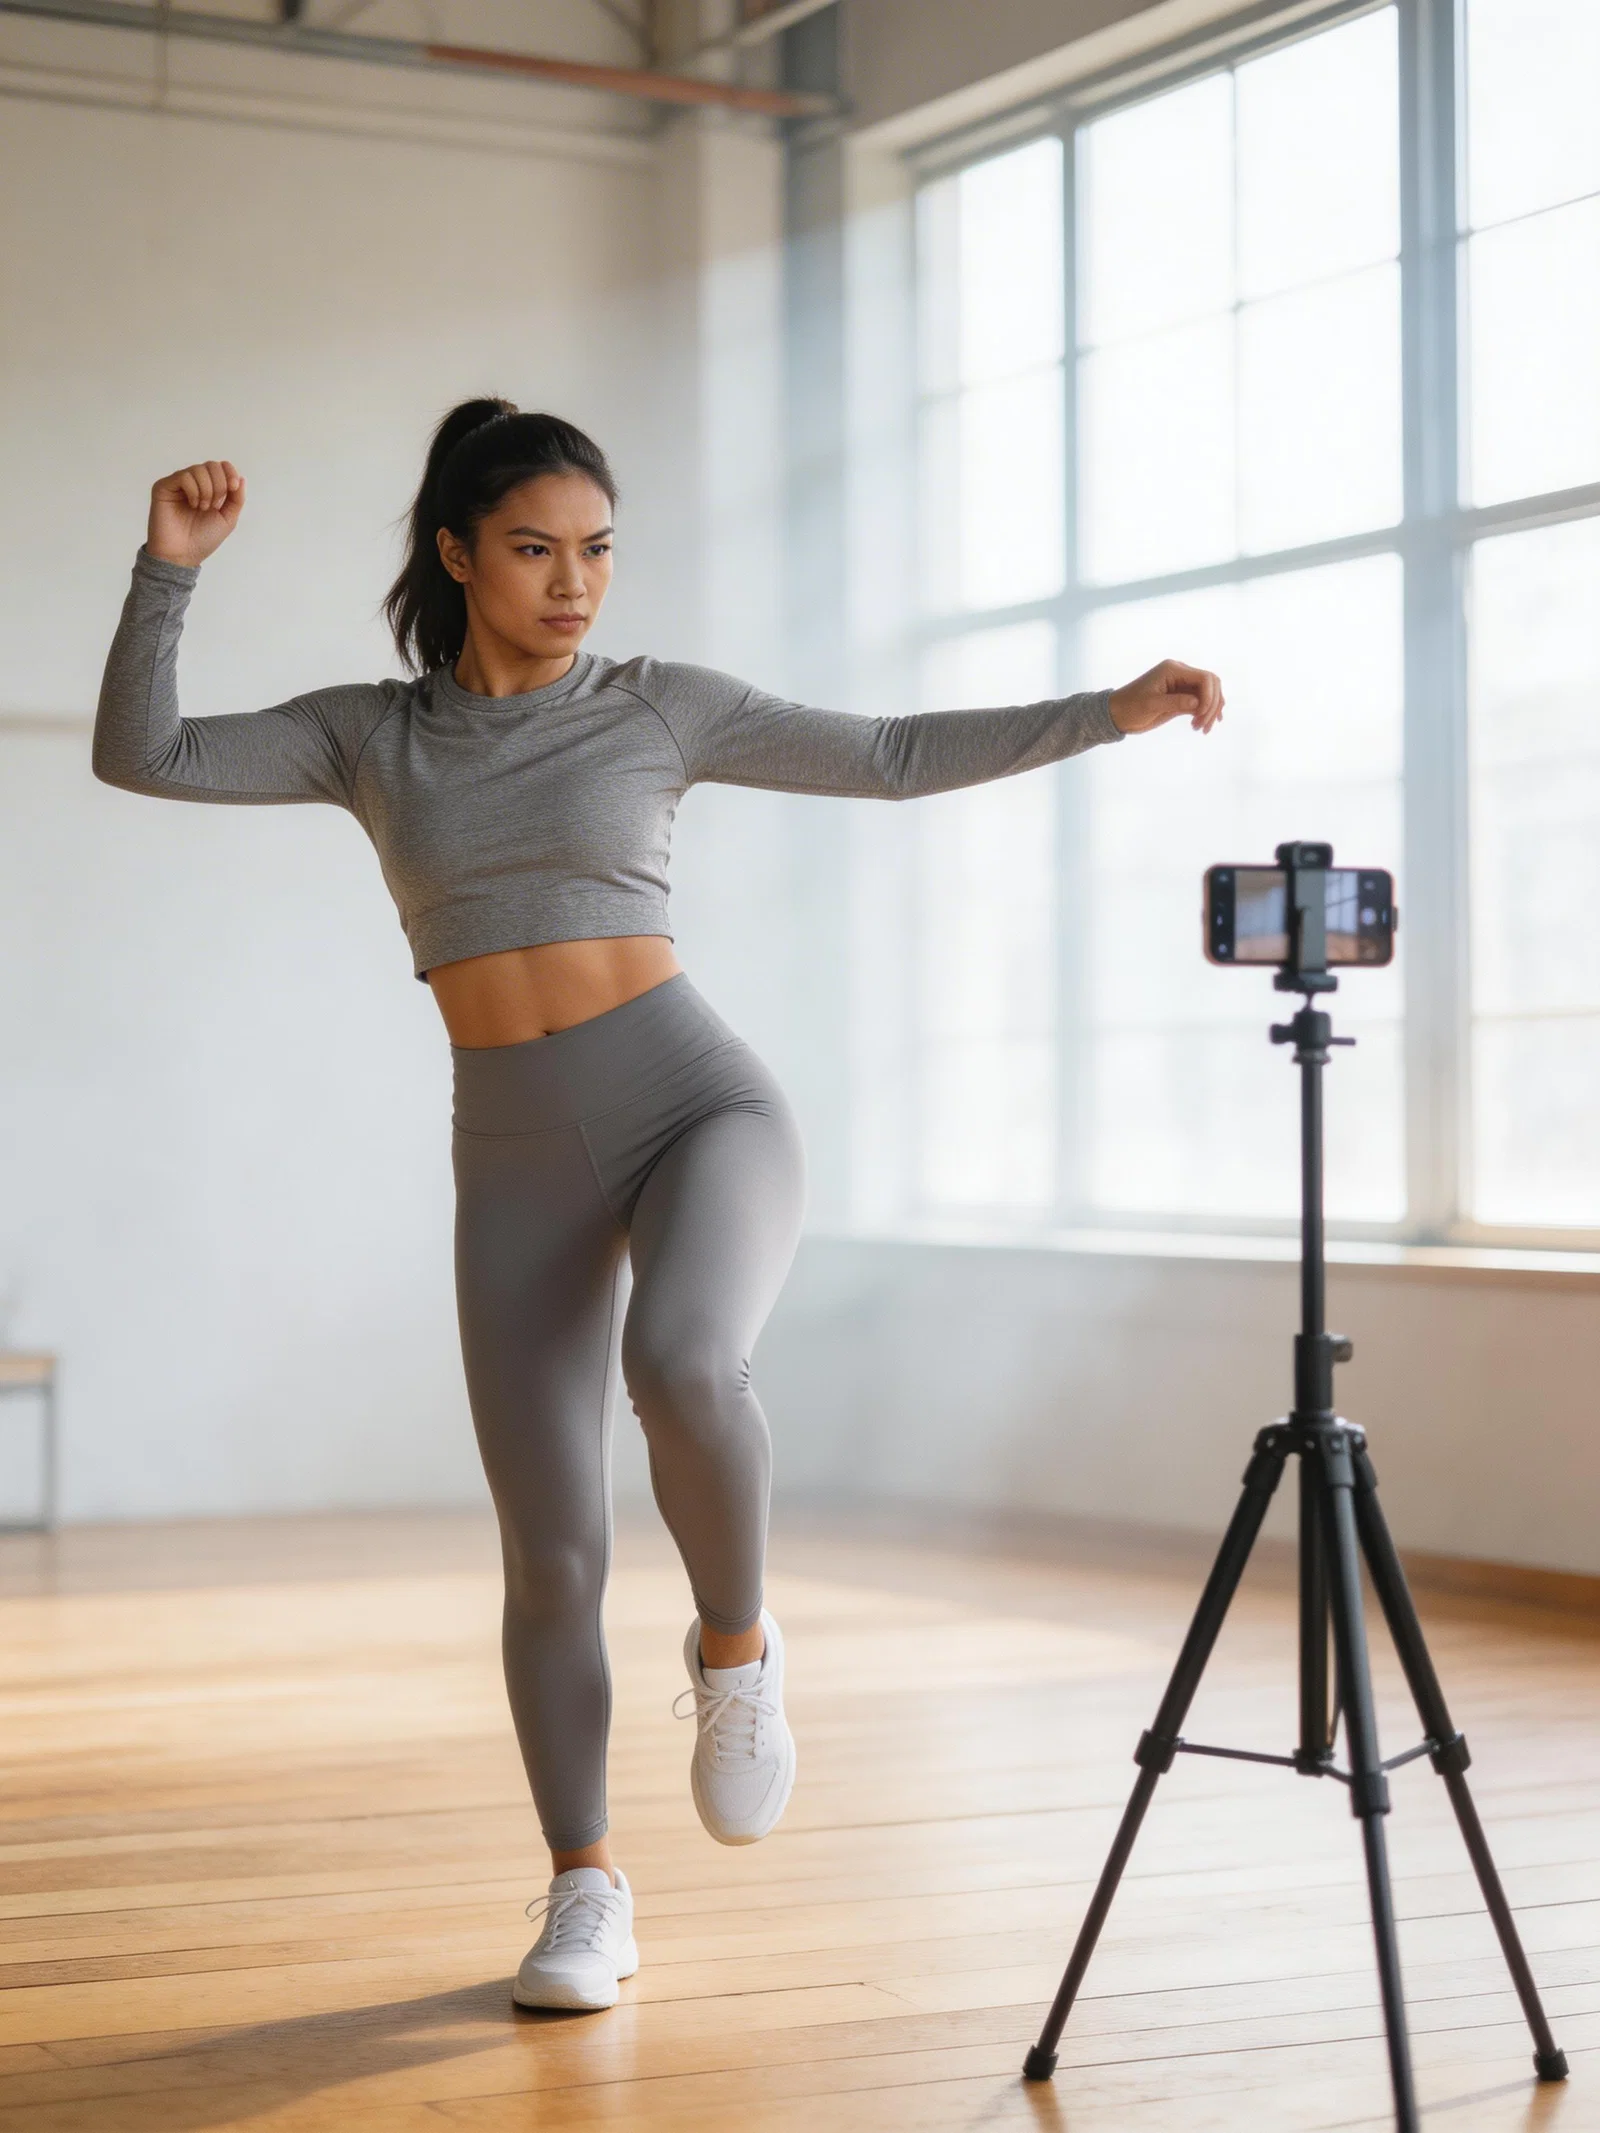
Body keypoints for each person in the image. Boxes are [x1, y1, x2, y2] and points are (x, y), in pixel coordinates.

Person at [93, 398, 1224, 2014]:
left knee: (687, 1363)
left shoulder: (659, 709)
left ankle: (739, 1655)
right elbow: (149, 754)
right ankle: (584, 1889)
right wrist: (167, 572)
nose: (575, 584)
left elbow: (891, 758)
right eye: (540, 550)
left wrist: (1107, 710)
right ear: (457, 555)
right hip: (512, 1154)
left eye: (600, 551)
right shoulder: (374, 737)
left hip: (699, 1102)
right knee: (549, 1552)